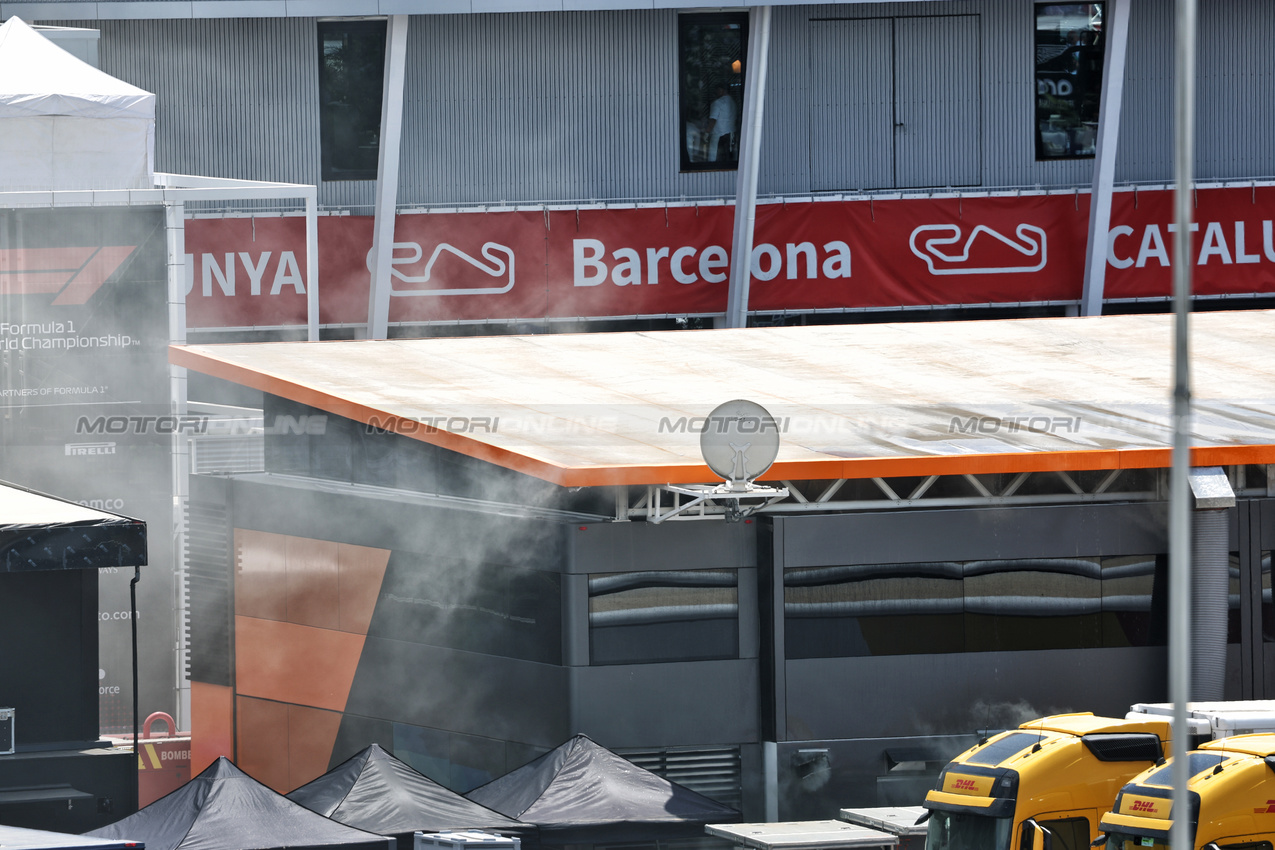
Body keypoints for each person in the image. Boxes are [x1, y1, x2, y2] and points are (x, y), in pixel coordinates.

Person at [705, 85, 738, 163]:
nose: (716, 92)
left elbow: (713, 119)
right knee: (727, 156)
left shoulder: (717, 103)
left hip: (718, 133)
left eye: (718, 90)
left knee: (713, 155)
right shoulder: (733, 103)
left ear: (722, 90)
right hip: (730, 133)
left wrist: (707, 132)